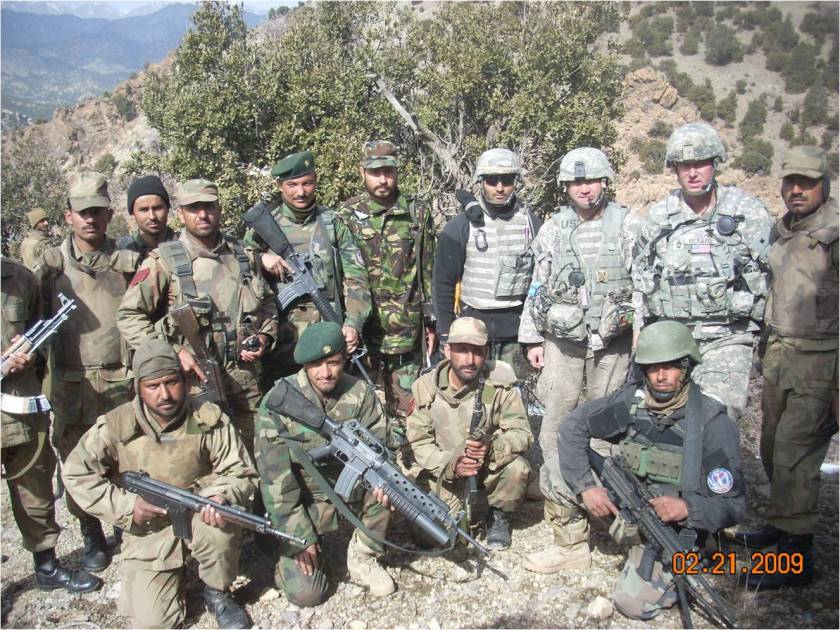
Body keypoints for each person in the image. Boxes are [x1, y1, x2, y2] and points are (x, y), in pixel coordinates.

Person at [62, 339, 257, 629]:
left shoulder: (204, 417)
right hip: (148, 529)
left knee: (222, 525)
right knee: (152, 623)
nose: (164, 394)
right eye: (153, 386)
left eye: (172, 382)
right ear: (138, 387)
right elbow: (76, 472)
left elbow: (241, 470)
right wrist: (127, 506)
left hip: (198, 513)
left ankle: (217, 593)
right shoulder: (119, 425)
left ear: (183, 379)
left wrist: (220, 494)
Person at [557, 320, 744, 620]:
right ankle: (569, 547)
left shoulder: (712, 424)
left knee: (632, 603)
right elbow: (573, 426)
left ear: (686, 367)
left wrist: (686, 508)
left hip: (674, 527)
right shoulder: (631, 404)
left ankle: (696, 556)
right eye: (653, 367)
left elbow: (733, 505)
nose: (661, 376)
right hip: (629, 504)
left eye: (671, 366)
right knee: (555, 475)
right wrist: (585, 486)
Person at [519, 147, 641, 573]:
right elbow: (537, 285)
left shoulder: (628, 224)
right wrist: (532, 338)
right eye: (576, 182)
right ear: (566, 187)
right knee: (554, 433)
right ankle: (568, 539)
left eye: (591, 181)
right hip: (563, 348)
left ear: (605, 182)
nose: (584, 188)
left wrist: (641, 341)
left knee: (610, 435)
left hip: (613, 348)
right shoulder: (553, 228)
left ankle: (613, 524)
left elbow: (642, 287)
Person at [736, 146, 838, 591]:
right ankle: (782, 527)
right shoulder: (786, 231)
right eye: (790, 182)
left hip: (822, 360)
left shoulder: (835, 234)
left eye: (807, 182)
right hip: (779, 354)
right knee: (773, 447)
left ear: (824, 185)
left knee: (797, 453)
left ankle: (797, 558)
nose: (797, 190)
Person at [117, 178, 278, 451]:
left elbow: (268, 306)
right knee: (200, 459)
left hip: (245, 381)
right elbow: (129, 316)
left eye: (208, 207)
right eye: (193, 208)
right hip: (194, 386)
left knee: (260, 456)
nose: (202, 214)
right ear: (180, 213)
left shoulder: (243, 255)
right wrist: (174, 351)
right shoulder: (164, 261)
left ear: (219, 208)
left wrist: (264, 336)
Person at [633, 122, 773, 421]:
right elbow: (641, 283)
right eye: (685, 166)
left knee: (716, 417)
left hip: (728, 337)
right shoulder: (659, 218)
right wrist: (639, 337)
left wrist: (767, 340)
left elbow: (772, 281)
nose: (693, 173)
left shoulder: (747, 213)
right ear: (675, 169)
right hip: (673, 340)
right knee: (667, 422)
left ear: (714, 164)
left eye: (700, 164)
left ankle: (718, 469)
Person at [36, 171, 140, 573]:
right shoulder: (49, 267)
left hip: (120, 378)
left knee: (126, 456)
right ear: (68, 216)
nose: (90, 220)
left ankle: (129, 526)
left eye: (97, 212)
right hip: (69, 380)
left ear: (109, 214)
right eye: (82, 213)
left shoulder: (128, 261)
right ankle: (91, 533)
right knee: (75, 461)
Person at [254, 322, 395, 605]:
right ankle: (281, 560)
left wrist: (385, 485)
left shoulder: (360, 393)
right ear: (304, 364)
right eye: (317, 364)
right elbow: (275, 481)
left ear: (344, 359)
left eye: (334, 362)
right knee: (309, 594)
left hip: (349, 491)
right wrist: (300, 538)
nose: (326, 372)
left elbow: (384, 448)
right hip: (299, 499)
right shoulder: (279, 402)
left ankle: (364, 554)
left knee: (392, 484)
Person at [1, 257, 102, 599]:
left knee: (35, 488)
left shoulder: (19, 277)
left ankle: (45, 565)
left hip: (19, 406)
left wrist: (28, 354)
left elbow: (38, 335)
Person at [335, 141, 436, 439]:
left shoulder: (417, 212)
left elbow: (428, 268)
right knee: (356, 408)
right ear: (362, 173)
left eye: (388, 171)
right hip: (363, 334)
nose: (383, 179)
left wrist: (432, 320)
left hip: (406, 330)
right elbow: (344, 274)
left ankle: (404, 470)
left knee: (407, 410)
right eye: (375, 172)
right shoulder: (347, 215)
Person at [406, 317, 533, 550]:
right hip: (445, 469)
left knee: (517, 468)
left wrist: (492, 447)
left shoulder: (500, 382)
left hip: (486, 463)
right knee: (433, 536)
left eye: (477, 352)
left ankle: (498, 516)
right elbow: (420, 444)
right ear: (447, 351)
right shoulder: (425, 388)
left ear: (486, 352)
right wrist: (452, 464)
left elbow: (522, 432)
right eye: (462, 351)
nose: (470, 360)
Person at [244, 150, 363, 386]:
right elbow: (235, 264)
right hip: (282, 343)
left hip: (327, 335)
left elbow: (357, 277)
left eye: (307, 183)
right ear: (280, 186)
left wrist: (353, 323)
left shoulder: (332, 223)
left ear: (315, 182)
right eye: (292, 184)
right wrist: (259, 258)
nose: (301, 192)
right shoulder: (265, 225)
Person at [434, 148, 541, 378]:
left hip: (515, 334)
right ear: (481, 182)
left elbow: (541, 282)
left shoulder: (531, 224)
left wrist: (535, 338)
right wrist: (445, 335)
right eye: (492, 180)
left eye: (507, 180)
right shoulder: (459, 227)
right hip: (471, 334)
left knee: (509, 397)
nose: (500, 187)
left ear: (516, 182)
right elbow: (443, 284)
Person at [116, 174, 179, 262]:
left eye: (157, 208)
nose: (152, 216)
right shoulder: (121, 250)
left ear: (167, 209)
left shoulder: (185, 244)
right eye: (144, 210)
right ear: (133, 213)